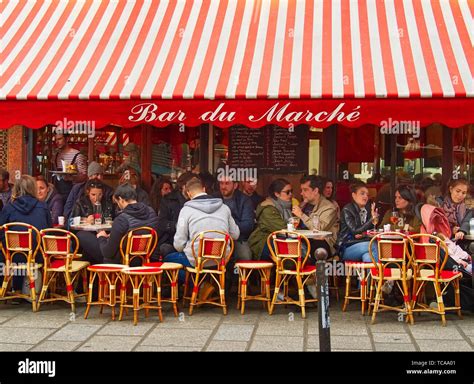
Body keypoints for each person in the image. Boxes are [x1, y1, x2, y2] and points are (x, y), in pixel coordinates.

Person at [165, 177, 240, 284]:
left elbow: (178, 245)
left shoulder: (186, 211)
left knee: (168, 260)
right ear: (204, 189)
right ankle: (208, 284)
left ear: (189, 193)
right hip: (221, 259)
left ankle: (200, 285)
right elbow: (236, 235)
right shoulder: (224, 208)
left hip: (196, 260)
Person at [0, 175, 52, 293]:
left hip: (12, 256)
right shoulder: (43, 207)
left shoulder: (9, 208)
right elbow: (48, 231)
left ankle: (13, 288)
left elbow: (0, 230)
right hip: (37, 256)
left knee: (7, 251)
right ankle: (37, 289)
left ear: (16, 189)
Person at [93, 183, 160, 264]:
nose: (118, 205)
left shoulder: (122, 219)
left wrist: (101, 237)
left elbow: (108, 253)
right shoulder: (151, 211)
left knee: (99, 249)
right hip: (148, 259)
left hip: (126, 264)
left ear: (121, 199)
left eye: (117, 202)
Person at [248, 178, 294, 260]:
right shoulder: (268, 209)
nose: (290, 194)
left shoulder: (287, 207)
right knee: (292, 254)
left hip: (279, 240)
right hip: (263, 243)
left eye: (291, 191)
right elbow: (282, 228)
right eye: (287, 192)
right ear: (277, 194)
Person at [292, 175, 338, 256]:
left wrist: (301, 215)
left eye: (305, 190)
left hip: (321, 244)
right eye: (301, 190)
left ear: (316, 191)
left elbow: (318, 230)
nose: (301, 193)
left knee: (315, 247)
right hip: (302, 240)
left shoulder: (329, 208)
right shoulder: (304, 205)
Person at [157, 172, 197, 257]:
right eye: (191, 186)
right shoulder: (168, 200)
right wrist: (177, 226)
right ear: (183, 186)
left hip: (193, 243)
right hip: (172, 240)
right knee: (165, 249)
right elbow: (161, 223)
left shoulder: (197, 200)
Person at [337, 181, 378, 263]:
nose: (365, 196)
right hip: (347, 246)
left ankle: (366, 276)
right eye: (362, 194)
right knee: (373, 246)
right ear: (354, 195)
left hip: (362, 243)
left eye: (367, 194)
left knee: (367, 256)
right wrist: (371, 219)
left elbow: (368, 231)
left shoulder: (367, 210)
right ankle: (378, 274)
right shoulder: (347, 209)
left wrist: (373, 222)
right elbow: (355, 230)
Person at [215, 177, 255, 260]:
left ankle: (242, 273)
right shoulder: (213, 198)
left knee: (245, 256)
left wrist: (228, 226)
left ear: (235, 185)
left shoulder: (244, 200)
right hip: (217, 237)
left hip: (238, 238)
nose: (223, 187)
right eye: (221, 183)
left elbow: (248, 226)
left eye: (227, 183)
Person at [435, 178, 473, 247]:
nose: (460, 195)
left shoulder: (468, 207)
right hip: (440, 242)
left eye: (463, 193)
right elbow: (437, 224)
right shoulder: (439, 204)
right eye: (457, 191)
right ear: (451, 189)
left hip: (459, 243)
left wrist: (462, 231)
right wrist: (451, 229)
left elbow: (466, 221)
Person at [52, 133, 88, 203]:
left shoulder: (77, 155)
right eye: (56, 139)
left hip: (73, 193)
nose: (57, 142)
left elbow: (84, 175)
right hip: (57, 192)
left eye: (59, 139)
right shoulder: (56, 156)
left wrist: (72, 178)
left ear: (67, 139)